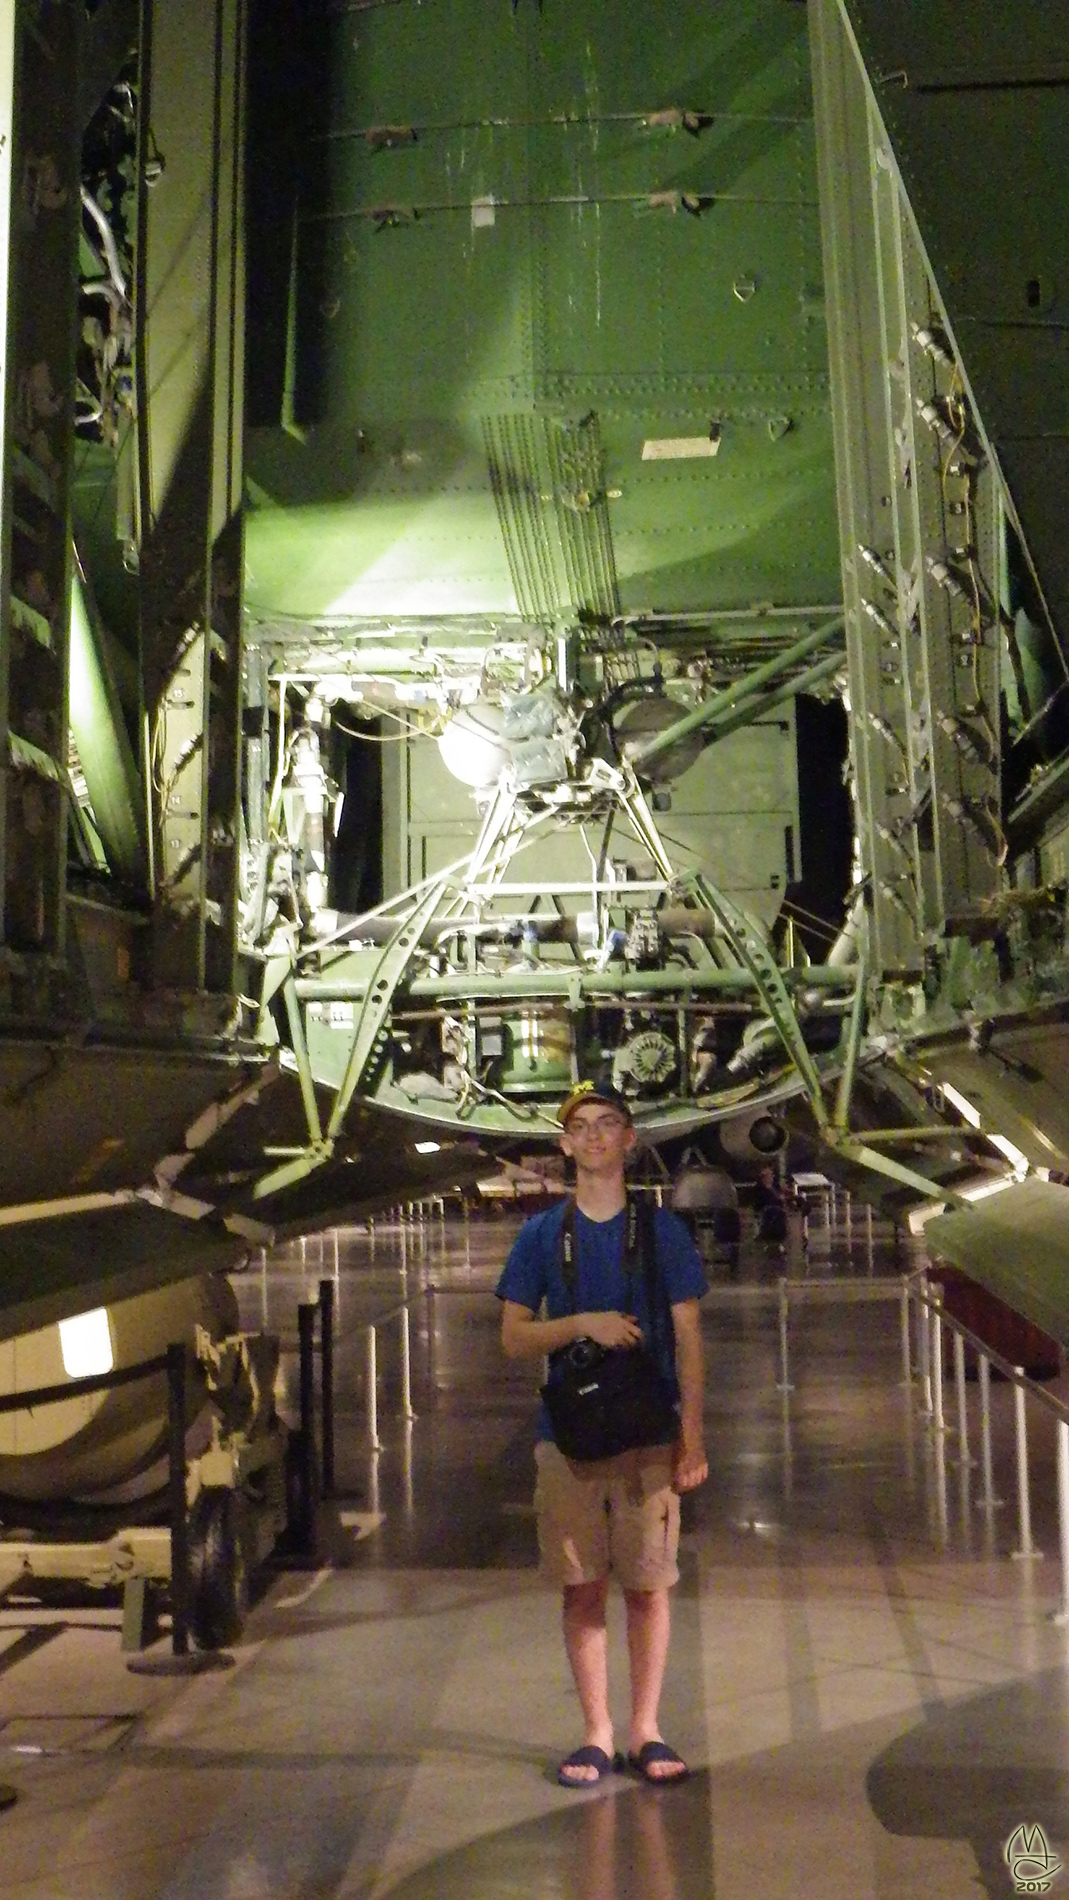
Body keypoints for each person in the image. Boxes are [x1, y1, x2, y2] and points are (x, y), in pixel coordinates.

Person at [496, 1081, 708, 1789]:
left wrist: (692, 1437)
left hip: (648, 1437)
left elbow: (688, 1337)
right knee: (581, 1587)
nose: (592, 1136)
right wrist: (581, 1324)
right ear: (564, 1144)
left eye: (607, 1124)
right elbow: (514, 1338)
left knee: (648, 1585)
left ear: (628, 1138)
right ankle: (596, 1732)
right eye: (580, 1126)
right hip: (569, 1438)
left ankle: (644, 1728)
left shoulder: (658, 1232)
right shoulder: (539, 1236)